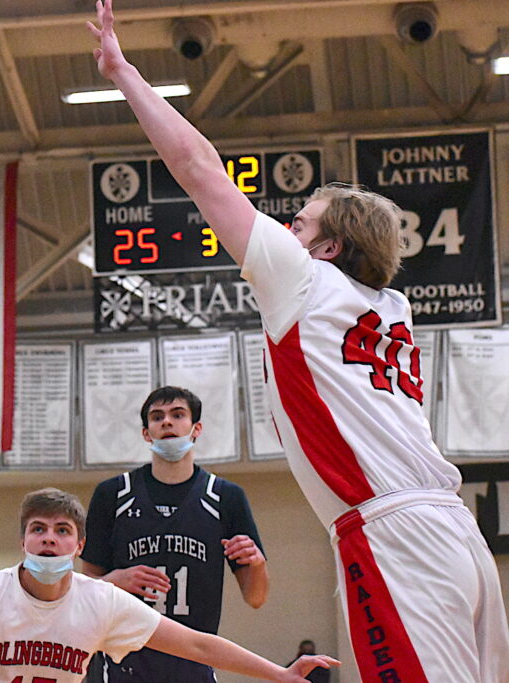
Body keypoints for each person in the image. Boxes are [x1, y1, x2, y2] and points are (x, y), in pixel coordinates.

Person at [86, 2, 509, 681]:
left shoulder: (304, 279)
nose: (285, 227)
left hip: (395, 533)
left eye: (301, 222)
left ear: (329, 247)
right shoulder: (393, 307)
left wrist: (123, 72)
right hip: (457, 533)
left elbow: (197, 165)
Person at [0, 488, 335, 683]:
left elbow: (197, 645)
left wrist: (280, 674)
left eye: (62, 530)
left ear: (79, 546)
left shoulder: (101, 601)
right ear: (23, 542)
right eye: (38, 529)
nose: (49, 538)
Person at [81, 385, 268, 682]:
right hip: (122, 660)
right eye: (157, 417)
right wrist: (113, 581)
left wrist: (257, 563)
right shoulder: (113, 494)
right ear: (147, 433)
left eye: (178, 415)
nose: (167, 422)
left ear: (196, 428)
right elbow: (86, 589)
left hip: (194, 659)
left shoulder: (225, 497)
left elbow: (256, 597)